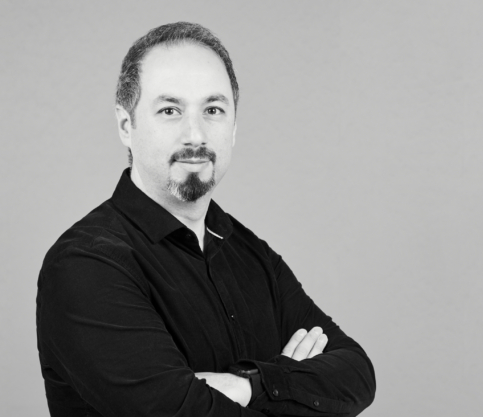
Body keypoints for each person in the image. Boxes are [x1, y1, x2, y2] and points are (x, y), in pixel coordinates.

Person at [36, 22, 376, 417]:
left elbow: (357, 374)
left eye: (213, 110)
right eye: (170, 110)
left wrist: (247, 385)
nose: (195, 135)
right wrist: (292, 388)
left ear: (233, 127)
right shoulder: (85, 265)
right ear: (127, 126)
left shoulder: (250, 254)